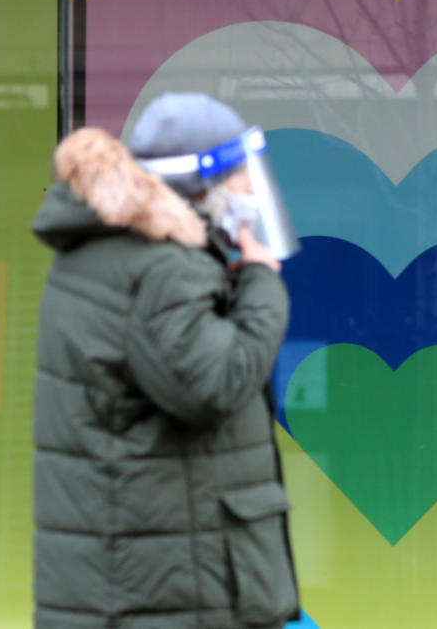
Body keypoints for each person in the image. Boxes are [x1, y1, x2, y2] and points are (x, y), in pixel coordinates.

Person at [31, 92, 300, 628]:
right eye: (243, 175)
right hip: (172, 589)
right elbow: (215, 385)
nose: (251, 188)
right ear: (206, 188)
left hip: (126, 580)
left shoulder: (101, 255)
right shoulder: (165, 269)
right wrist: (261, 283)